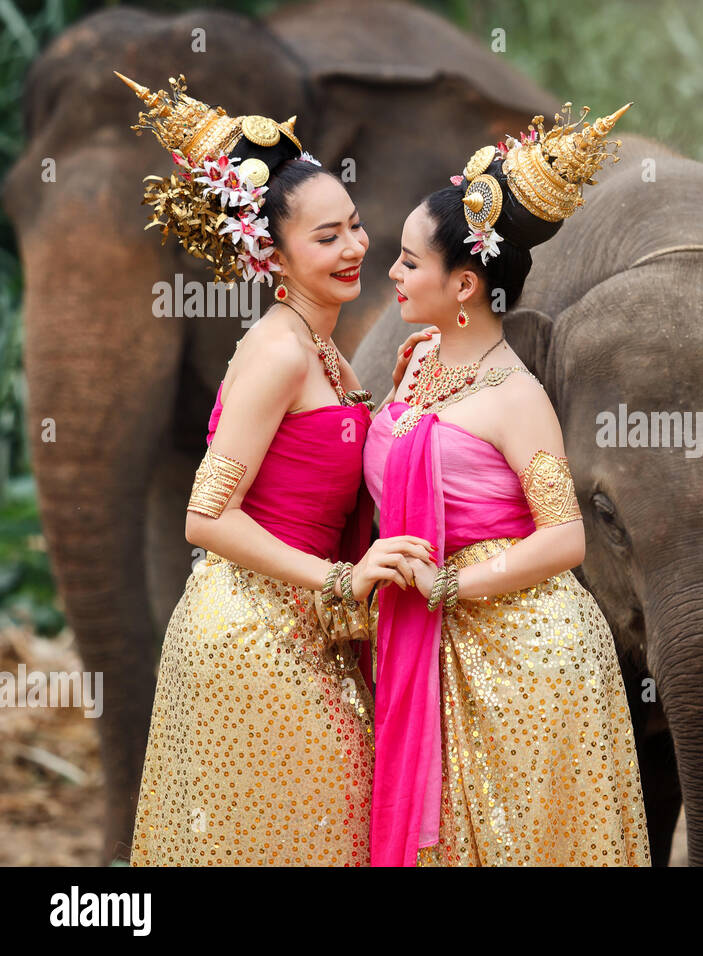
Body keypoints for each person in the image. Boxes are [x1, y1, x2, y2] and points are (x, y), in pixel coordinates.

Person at [118, 73, 434, 865]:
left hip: (306, 622)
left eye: (356, 226)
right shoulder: (277, 350)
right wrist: (338, 581)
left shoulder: (322, 348)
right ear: (273, 251)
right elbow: (205, 517)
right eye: (326, 238)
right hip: (250, 634)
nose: (356, 248)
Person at [363, 102, 652, 866]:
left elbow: (564, 538)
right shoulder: (421, 362)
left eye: (409, 262)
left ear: (464, 286)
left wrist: (452, 584)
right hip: (427, 638)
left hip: (525, 660)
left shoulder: (515, 397)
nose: (391, 272)